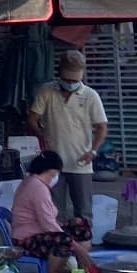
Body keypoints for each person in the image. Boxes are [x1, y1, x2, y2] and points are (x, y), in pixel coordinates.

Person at [26, 50, 107, 225]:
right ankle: (59, 248)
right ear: (60, 74)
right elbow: (32, 119)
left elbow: (101, 127)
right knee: (54, 213)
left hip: (81, 163)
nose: (71, 83)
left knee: (84, 214)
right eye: (68, 80)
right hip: (53, 163)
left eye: (75, 80)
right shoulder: (46, 91)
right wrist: (41, 135)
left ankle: (83, 247)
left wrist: (93, 151)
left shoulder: (91, 96)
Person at [10, 151, 93, 273]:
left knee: (80, 225)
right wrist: (78, 249)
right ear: (49, 171)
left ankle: (81, 272)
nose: (55, 178)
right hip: (25, 240)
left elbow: (51, 222)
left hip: (39, 232)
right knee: (63, 240)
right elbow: (48, 226)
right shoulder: (37, 187)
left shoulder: (35, 183)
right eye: (54, 174)